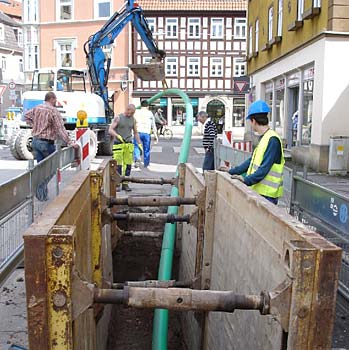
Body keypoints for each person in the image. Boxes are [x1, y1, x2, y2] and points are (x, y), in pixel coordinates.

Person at [219, 100, 285, 205]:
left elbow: (264, 169)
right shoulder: (264, 138)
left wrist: (246, 180)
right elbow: (251, 162)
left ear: (253, 121)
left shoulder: (272, 140)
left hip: (267, 196)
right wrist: (232, 171)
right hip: (259, 192)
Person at [25, 92, 78, 200]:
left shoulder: (37, 108)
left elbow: (26, 116)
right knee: (53, 168)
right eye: (55, 100)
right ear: (52, 99)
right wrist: (70, 142)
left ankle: (42, 196)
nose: (55, 102)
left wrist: (34, 126)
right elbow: (60, 129)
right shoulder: (53, 111)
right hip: (46, 143)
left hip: (35, 141)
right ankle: (39, 189)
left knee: (41, 168)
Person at [108, 104, 142, 192]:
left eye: (132, 114)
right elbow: (110, 129)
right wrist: (117, 136)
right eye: (129, 113)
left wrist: (139, 143)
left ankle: (125, 184)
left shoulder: (133, 120)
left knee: (128, 165)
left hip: (128, 144)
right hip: (118, 144)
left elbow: (135, 132)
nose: (130, 115)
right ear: (127, 109)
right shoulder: (118, 118)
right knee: (118, 165)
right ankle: (117, 184)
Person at [133, 100, 158, 168]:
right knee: (146, 149)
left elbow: (132, 122)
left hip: (137, 132)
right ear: (147, 106)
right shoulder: (150, 113)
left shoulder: (136, 112)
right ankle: (146, 163)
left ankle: (137, 157)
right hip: (147, 133)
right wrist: (155, 135)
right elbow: (153, 125)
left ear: (141, 105)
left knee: (136, 146)